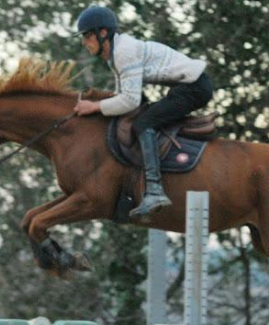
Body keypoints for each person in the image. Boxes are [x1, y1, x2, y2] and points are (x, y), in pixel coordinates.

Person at [73, 5, 213, 219]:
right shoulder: (116, 54)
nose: (84, 42)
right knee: (138, 117)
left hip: (194, 87)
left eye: (87, 35)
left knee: (143, 124)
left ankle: (155, 190)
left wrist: (94, 106)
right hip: (186, 86)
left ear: (103, 33)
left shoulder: (124, 52)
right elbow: (124, 95)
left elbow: (129, 100)